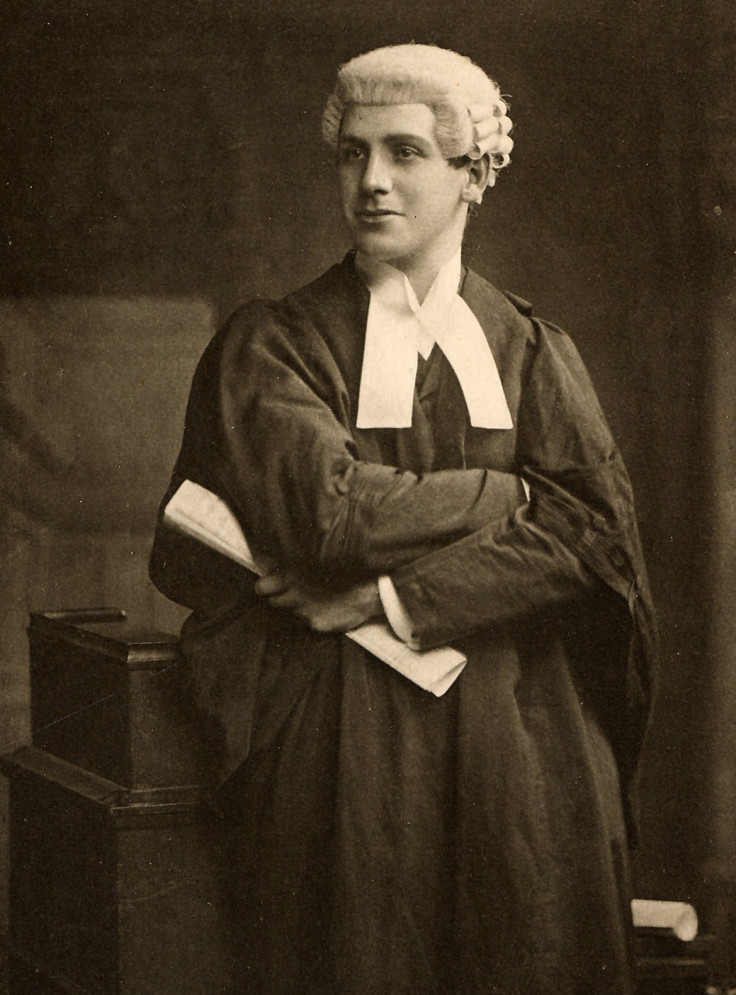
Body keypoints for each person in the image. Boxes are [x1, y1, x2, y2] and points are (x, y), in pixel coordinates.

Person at [150, 43, 656, 995]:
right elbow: (330, 514)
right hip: (348, 742)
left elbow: (595, 538)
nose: (372, 180)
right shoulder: (276, 342)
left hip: (521, 738)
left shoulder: (533, 349)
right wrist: (509, 497)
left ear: (472, 174)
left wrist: (388, 598)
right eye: (353, 153)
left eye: (405, 152)